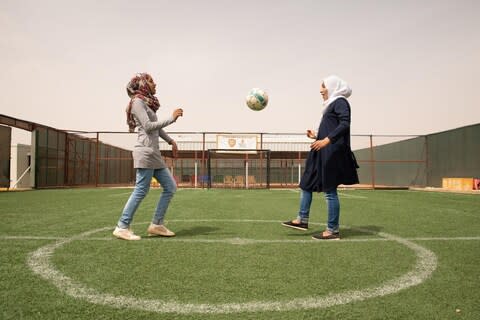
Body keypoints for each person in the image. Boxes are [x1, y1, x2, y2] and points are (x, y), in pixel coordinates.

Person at [282, 75, 359, 240]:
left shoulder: (340, 102)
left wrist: (326, 140)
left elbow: (345, 124)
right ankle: (301, 220)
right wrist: (316, 135)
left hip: (331, 152)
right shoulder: (330, 105)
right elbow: (331, 127)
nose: (321, 90)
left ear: (332, 87)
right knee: (306, 183)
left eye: (323, 86)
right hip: (321, 149)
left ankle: (333, 230)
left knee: (330, 190)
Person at [113, 73, 183, 241]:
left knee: (170, 186)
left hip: (154, 154)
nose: (155, 83)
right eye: (151, 80)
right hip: (144, 152)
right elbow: (148, 126)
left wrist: (171, 141)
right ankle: (122, 226)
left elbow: (156, 129)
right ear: (143, 83)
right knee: (141, 190)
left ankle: (157, 225)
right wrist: (172, 118)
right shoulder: (137, 102)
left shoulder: (148, 104)